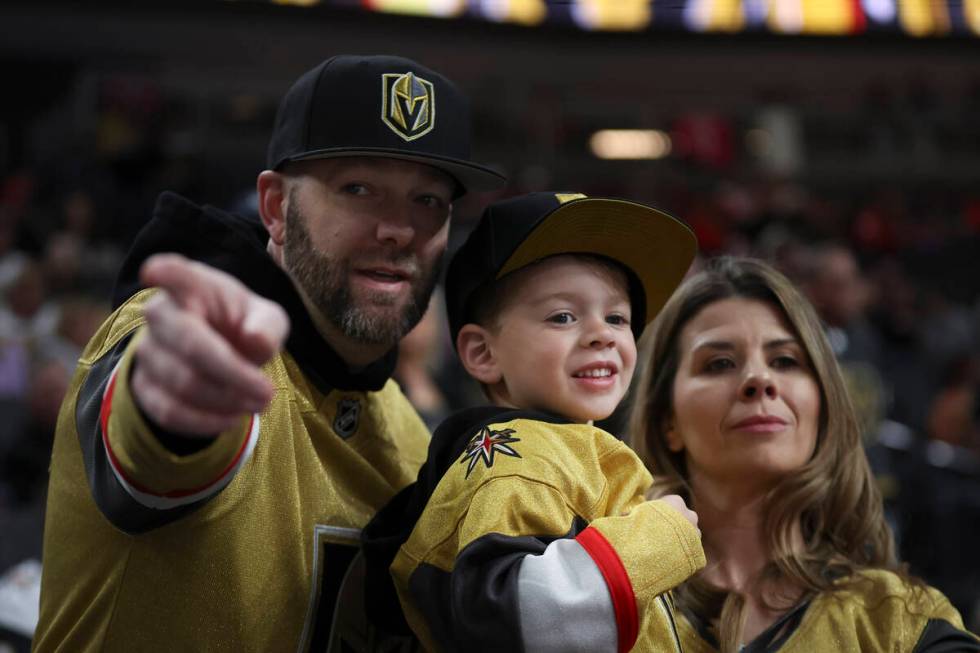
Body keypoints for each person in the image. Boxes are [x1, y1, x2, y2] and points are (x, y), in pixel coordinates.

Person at [32, 54, 505, 652]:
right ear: (276, 208)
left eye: (429, 201)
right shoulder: (181, 336)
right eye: (358, 188)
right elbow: (153, 440)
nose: (399, 230)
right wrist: (172, 411)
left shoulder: (405, 434)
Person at [362, 192, 706, 652]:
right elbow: (506, 620)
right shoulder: (514, 457)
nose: (602, 334)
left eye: (617, 317)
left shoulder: (564, 446)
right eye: (563, 316)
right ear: (484, 353)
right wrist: (655, 541)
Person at [627, 256, 980, 652]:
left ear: (822, 405)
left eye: (785, 361)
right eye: (719, 363)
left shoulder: (899, 620)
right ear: (667, 422)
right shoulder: (599, 597)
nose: (760, 379)